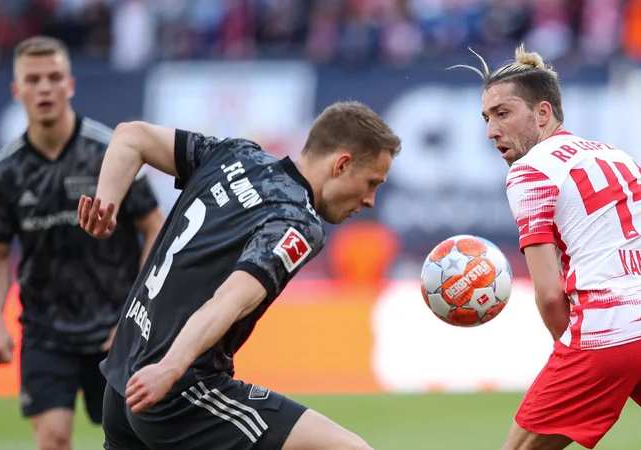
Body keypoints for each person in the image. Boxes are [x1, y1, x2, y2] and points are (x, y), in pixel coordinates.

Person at [451, 45, 641, 450]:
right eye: (486, 118)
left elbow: (550, 295)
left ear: (543, 113)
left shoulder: (529, 172)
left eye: (503, 113)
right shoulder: (621, 159)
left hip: (607, 332)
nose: (491, 130)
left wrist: (583, 364)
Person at [77, 100, 401, 449]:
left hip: (123, 382)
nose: (370, 200)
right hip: (180, 393)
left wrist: (105, 205)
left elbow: (131, 136)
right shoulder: (295, 223)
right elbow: (229, 300)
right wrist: (170, 368)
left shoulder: (235, 155)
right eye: (371, 183)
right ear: (341, 164)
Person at [0, 36, 164, 450]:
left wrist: (137, 313)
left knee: (134, 441)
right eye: (34, 79)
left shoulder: (112, 154)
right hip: (45, 331)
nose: (44, 87)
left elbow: (157, 228)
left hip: (115, 331)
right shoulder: (5, 171)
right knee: (53, 439)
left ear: (70, 85)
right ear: (16, 90)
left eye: (54, 77)